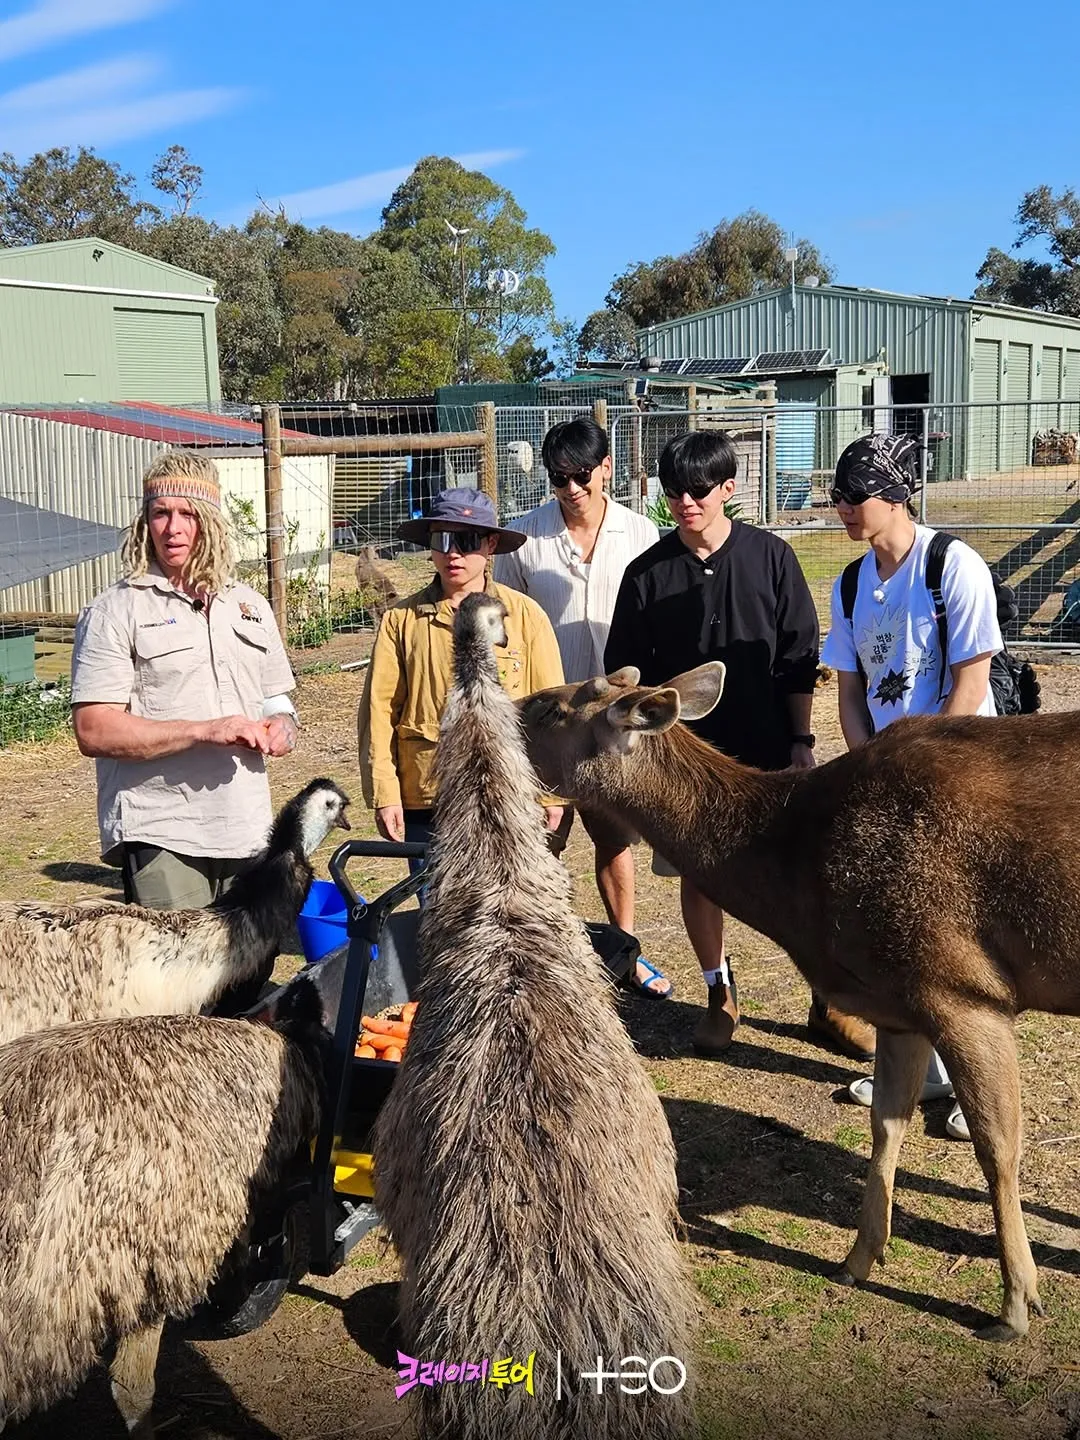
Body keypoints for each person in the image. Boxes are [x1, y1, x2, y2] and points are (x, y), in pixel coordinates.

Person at [605, 429, 867, 1062]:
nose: (686, 503)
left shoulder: (772, 558)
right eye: (673, 492)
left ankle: (831, 1001)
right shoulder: (646, 575)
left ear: (728, 488)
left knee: (801, 879)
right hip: (688, 766)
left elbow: (799, 657)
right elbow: (626, 673)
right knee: (700, 878)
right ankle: (718, 994)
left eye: (699, 490)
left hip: (769, 752)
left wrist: (802, 740)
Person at [820, 432, 1003, 1141]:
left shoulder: (951, 565)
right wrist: (871, 772)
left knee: (967, 939)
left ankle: (971, 1080)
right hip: (889, 785)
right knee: (906, 935)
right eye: (836, 496)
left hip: (962, 777)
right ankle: (921, 1070)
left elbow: (972, 679)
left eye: (853, 496)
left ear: (896, 495)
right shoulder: (849, 584)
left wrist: (926, 769)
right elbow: (848, 691)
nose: (841, 508)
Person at [71, 451, 299, 1006]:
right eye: (159, 513)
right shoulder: (115, 610)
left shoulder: (249, 606)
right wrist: (205, 729)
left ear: (213, 521)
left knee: (246, 987)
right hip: (164, 831)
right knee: (179, 1000)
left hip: (246, 828)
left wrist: (282, 726)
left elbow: (278, 699)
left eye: (188, 514)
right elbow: (93, 729)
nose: (173, 528)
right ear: (143, 522)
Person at [494, 417, 671, 999]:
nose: (571, 489)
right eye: (558, 478)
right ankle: (538, 951)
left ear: (607, 469)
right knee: (540, 838)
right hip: (548, 719)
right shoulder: (524, 539)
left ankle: (625, 950)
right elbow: (505, 628)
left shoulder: (641, 534)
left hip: (611, 720)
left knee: (614, 837)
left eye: (580, 476)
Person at [357, 488, 565, 866]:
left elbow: (548, 711)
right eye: (442, 539)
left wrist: (549, 794)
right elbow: (379, 713)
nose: (452, 553)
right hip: (429, 795)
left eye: (466, 541)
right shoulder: (401, 622)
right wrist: (386, 794)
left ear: (490, 545)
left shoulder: (526, 617)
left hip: (510, 793)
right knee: (436, 911)